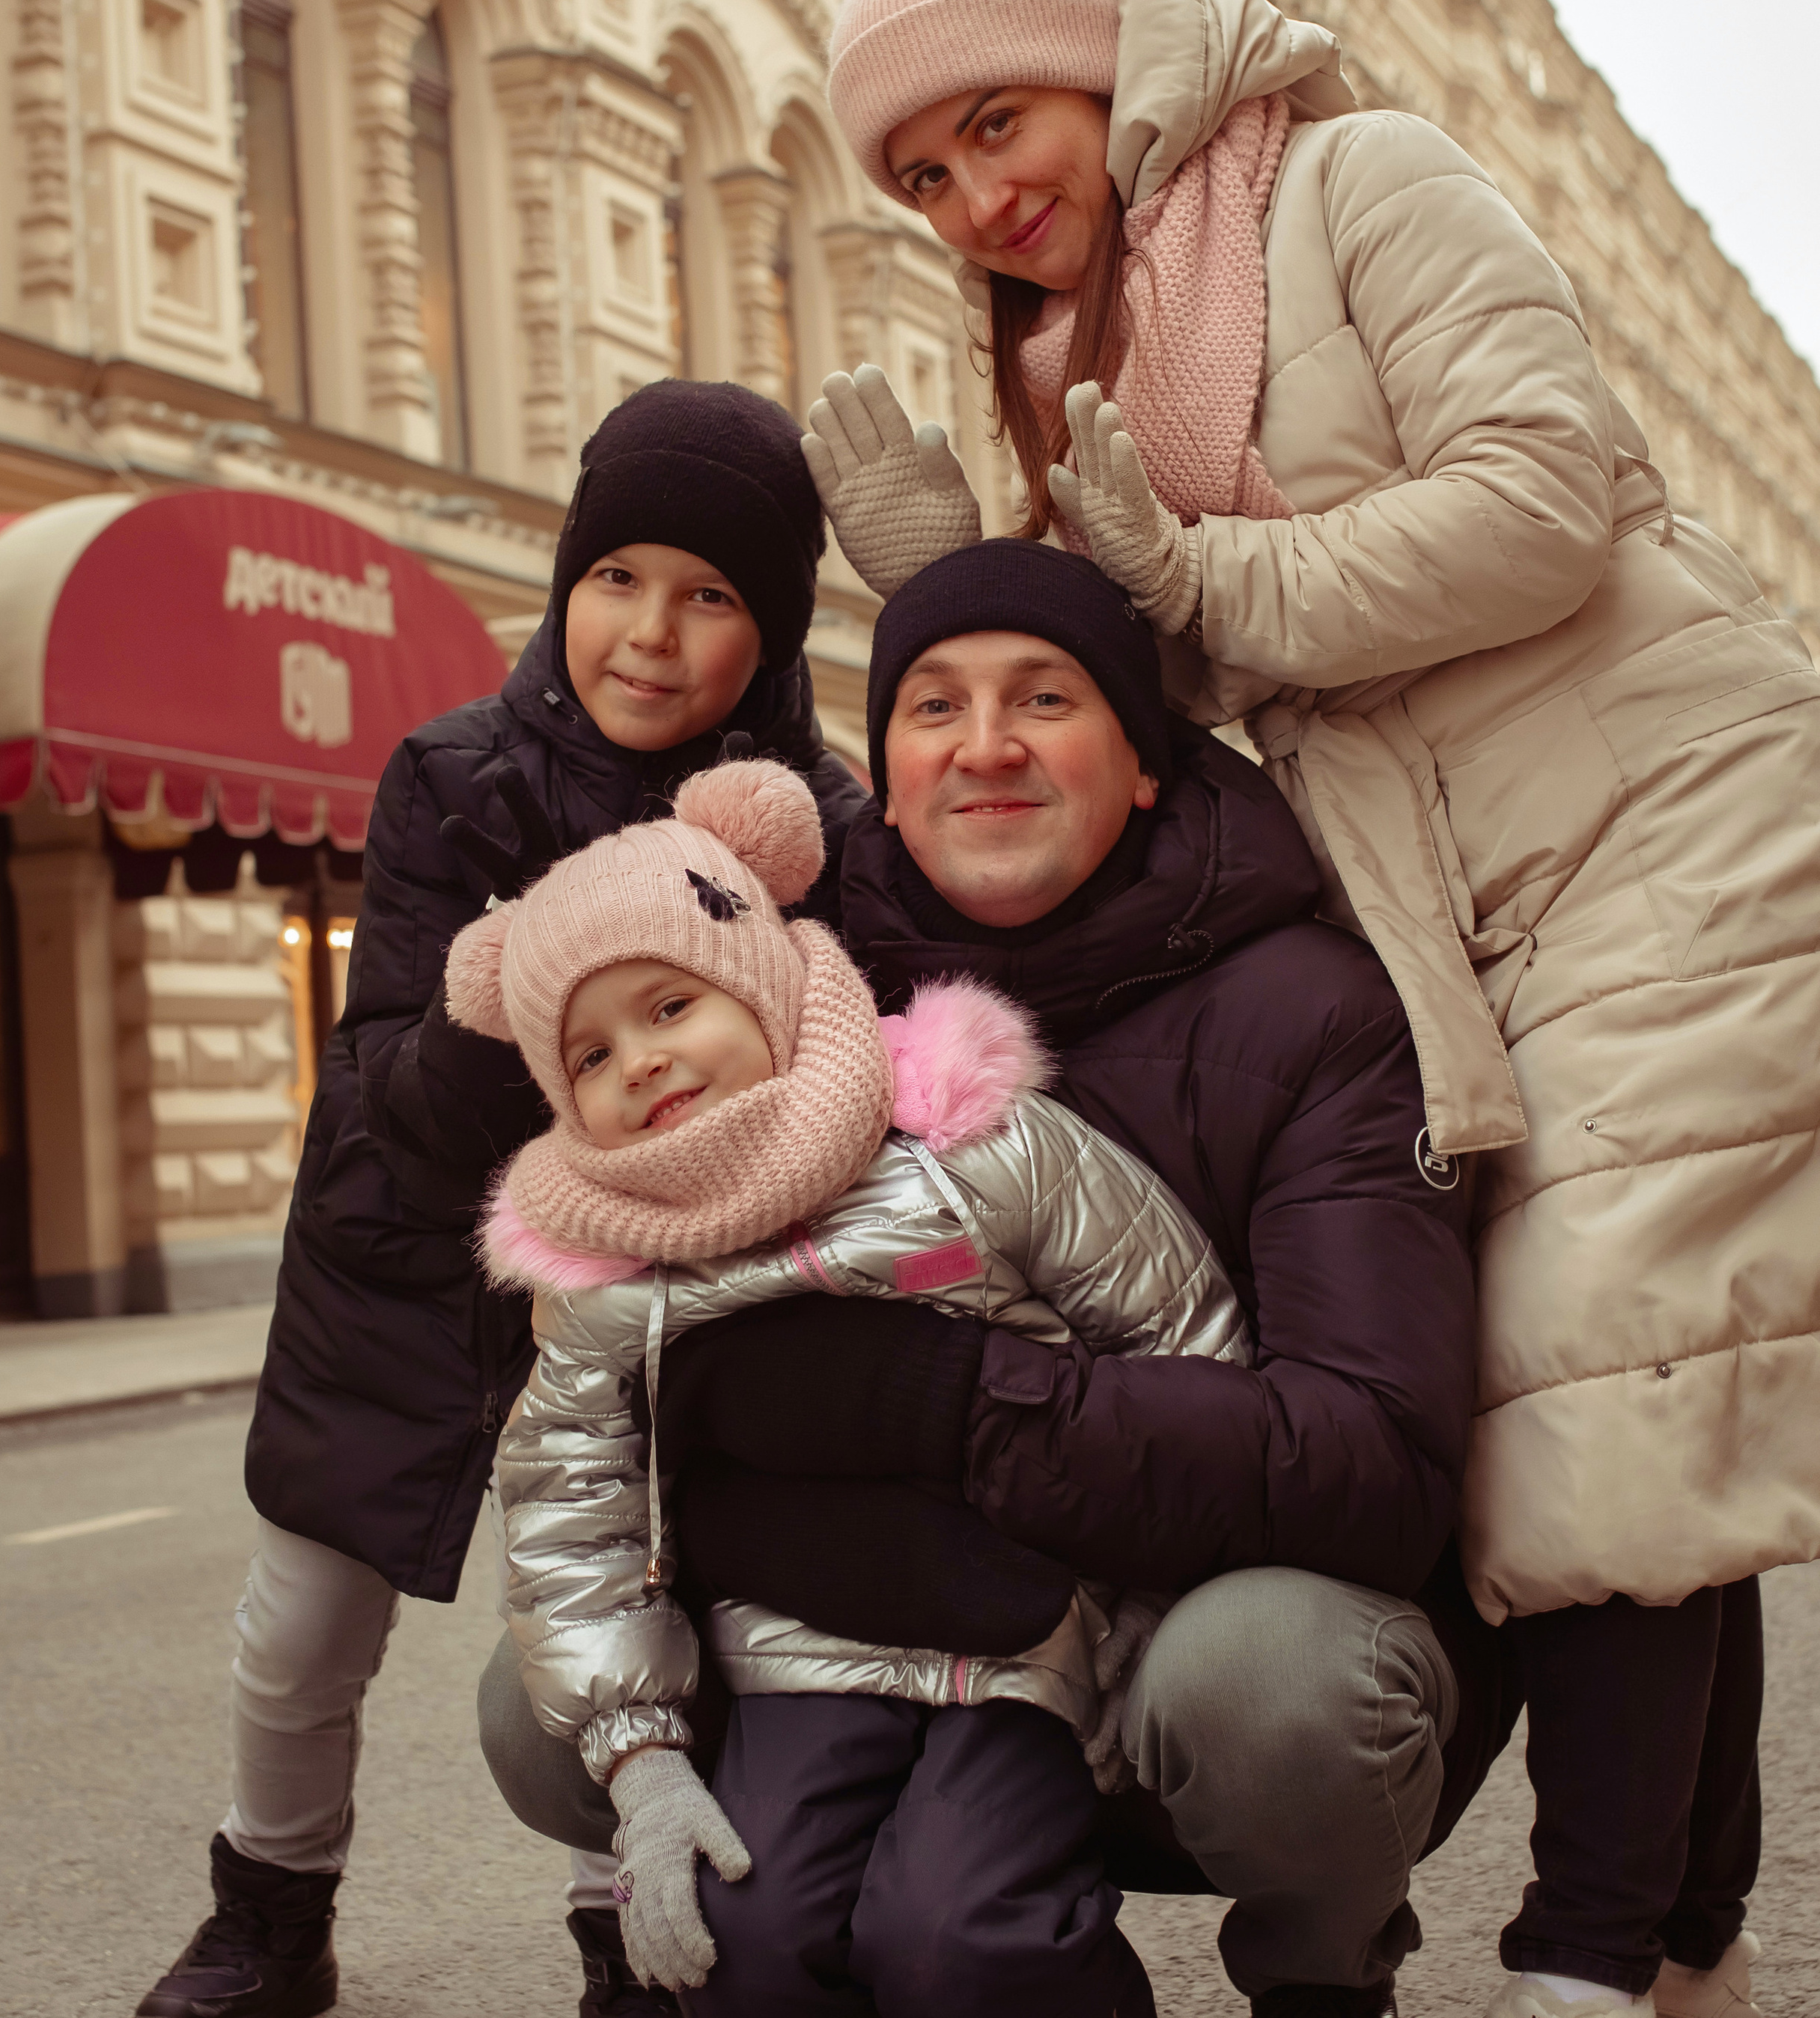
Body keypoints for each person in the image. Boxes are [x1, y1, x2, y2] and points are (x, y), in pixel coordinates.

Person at [803, 0, 1816, 2018]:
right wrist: (964, 591)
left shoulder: (1356, 177)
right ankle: (1693, 1944)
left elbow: (1545, 493)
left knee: (1587, 1375)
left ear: (1095, 66)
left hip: (1656, 802)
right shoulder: (1076, 342)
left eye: (997, 121)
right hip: (1448, 885)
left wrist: (1183, 581)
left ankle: (1581, 1958)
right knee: (1608, 1382)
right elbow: (1150, 681)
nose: (978, 197)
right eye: (924, 178)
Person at [481, 541, 1505, 2018]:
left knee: (1229, 1725)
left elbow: (1353, 1450)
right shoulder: (772, 1004)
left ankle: (1317, 1966)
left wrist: (943, 1402)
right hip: (808, 1635)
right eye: (933, 707)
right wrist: (648, 1743)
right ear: (881, 776)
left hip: (1105, 1618)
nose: (985, 747)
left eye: (1044, 698)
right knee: (587, 1756)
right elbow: (582, 1467)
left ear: (1142, 758)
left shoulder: (1287, 1015)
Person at [137, 382, 863, 2018]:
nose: (652, 635)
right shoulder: (446, 774)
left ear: (779, 625)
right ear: (562, 583)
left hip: (670, 1279)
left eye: (711, 595)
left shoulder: (817, 828)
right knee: (302, 1623)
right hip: (400, 1262)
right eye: (618, 578)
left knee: (656, 1600)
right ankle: (270, 1904)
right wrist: (531, 977)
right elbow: (389, 1075)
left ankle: (628, 1927)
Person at [457, 751, 1253, 2016]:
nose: (643, 1064)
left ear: (759, 983)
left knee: (963, 1937)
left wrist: (1153, 1608)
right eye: (592, 1057)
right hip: (791, 1654)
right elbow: (568, 1509)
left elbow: (1178, 1337)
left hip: (1025, 1637)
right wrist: (644, 1760)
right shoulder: (613, 1271)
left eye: (670, 1008)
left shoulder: (961, 1138)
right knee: (745, 1936)